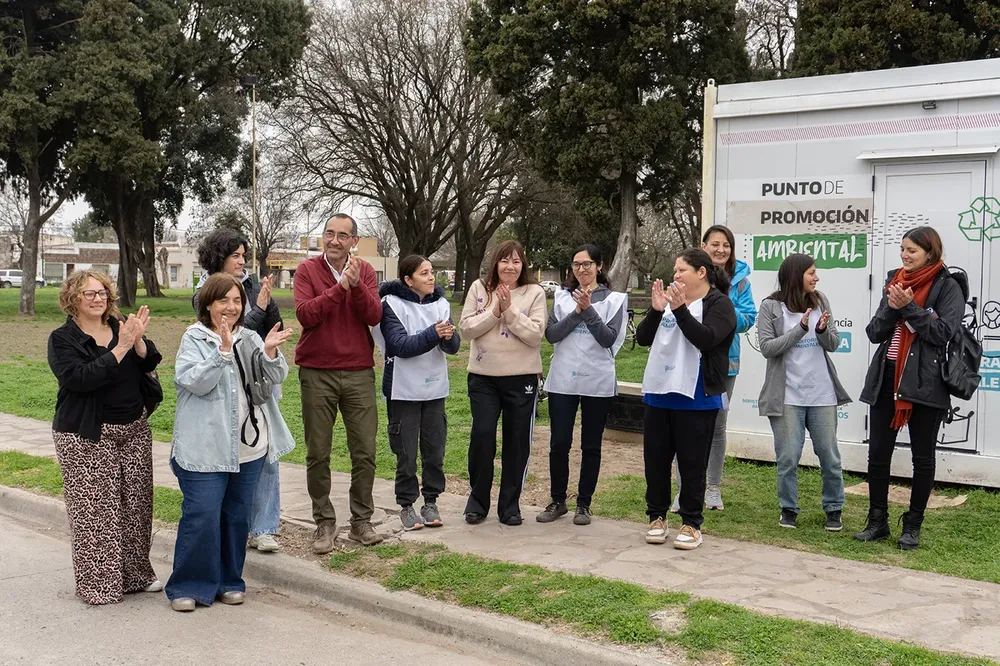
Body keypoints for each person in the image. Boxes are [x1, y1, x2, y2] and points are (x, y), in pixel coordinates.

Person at [166, 273, 295, 612]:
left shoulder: (250, 336)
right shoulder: (194, 338)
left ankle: (229, 581)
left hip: (249, 447)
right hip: (205, 448)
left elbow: (276, 377)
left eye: (237, 300)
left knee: (237, 517)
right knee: (202, 515)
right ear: (207, 304)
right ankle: (188, 584)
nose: (231, 307)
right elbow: (193, 382)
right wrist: (222, 352)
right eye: (223, 300)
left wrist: (268, 353)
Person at [48, 270, 163, 605]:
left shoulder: (119, 326)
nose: (98, 299)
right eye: (89, 294)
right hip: (86, 434)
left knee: (137, 507)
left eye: (102, 292)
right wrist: (123, 346)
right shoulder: (63, 339)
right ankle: (99, 585)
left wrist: (138, 341)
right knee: (96, 512)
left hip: (134, 428)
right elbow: (79, 379)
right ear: (72, 299)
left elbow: (150, 361)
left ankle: (136, 575)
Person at [856, 227, 964, 550]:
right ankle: (877, 521)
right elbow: (874, 331)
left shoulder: (948, 286)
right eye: (902, 249)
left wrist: (908, 308)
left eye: (912, 250)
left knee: (923, 459)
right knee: (877, 454)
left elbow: (943, 332)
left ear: (929, 253)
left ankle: (912, 526)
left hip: (926, 383)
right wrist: (894, 304)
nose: (904, 255)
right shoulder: (894, 281)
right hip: (887, 378)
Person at [294, 213, 384, 552]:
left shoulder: (367, 272)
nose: (334, 240)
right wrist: (339, 288)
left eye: (343, 235)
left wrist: (357, 285)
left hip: (359, 371)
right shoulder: (307, 271)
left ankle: (361, 521)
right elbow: (306, 314)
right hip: (317, 370)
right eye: (329, 234)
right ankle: (324, 522)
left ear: (353, 242)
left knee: (365, 451)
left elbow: (374, 315)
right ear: (322, 238)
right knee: (318, 452)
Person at [637, 249, 736, 550]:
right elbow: (642, 338)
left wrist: (679, 310)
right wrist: (656, 311)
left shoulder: (720, 304)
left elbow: (706, 339)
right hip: (659, 393)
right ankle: (657, 517)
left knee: (693, 464)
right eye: (675, 270)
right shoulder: (668, 302)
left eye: (682, 270)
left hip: (697, 398)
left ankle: (691, 523)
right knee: (655, 460)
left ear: (702, 272)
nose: (675, 275)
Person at [194, 228, 284, 553]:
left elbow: (274, 325)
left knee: (266, 455)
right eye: (236, 255)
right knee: (231, 455)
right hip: (225, 384)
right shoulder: (204, 290)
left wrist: (265, 304)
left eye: (244, 255)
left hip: (259, 379)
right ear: (220, 256)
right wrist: (257, 309)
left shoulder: (254, 286)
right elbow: (228, 330)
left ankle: (264, 527)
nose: (242, 261)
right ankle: (232, 523)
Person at [536, 244, 627, 526]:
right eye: (576, 264)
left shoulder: (615, 300)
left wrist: (588, 311)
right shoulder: (562, 297)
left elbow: (608, 338)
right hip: (563, 379)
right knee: (559, 442)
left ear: (600, 266)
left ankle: (584, 504)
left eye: (587, 264)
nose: (581, 269)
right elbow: (551, 334)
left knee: (591, 445)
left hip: (596, 380)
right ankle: (558, 500)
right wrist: (577, 312)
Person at [757, 254, 850, 532]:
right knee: (788, 457)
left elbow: (833, 343)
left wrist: (821, 330)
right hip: (786, 396)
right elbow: (767, 348)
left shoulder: (820, 300)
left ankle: (834, 510)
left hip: (822, 394)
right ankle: (789, 509)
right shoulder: (770, 306)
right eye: (811, 272)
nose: (816, 277)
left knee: (830, 456)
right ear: (796, 275)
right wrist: (800, 329)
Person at [669, 225, 757, 513]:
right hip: (685, 357)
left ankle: (713, 488)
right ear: (703, 246)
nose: (721, 250)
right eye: (715, 244)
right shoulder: (688, 274)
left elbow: (749, 317)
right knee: (682, 427)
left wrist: (724, 314)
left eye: (727, 245)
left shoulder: (740, 279)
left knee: (717, 426)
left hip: (723, 362)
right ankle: (683, 491)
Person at [460, 240, 547, 526]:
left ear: (524, 265)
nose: (510, 266)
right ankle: (477, 501)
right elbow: (467, 329)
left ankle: (510, 505)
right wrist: (496, 310)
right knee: (482, 436)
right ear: (495, 263)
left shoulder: (534, 293)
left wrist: (510, 311)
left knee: (517, 442)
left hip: (521, 378)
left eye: (517, 261)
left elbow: (535, 335)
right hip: (484, 378)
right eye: (505, 260)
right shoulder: (478, 289)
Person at [374, 255, 461, 530]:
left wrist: (449, 338)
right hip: (403, 390)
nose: (431, 277)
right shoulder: (391, 305)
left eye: (432, 272)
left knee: (435, 450)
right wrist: (434, 333)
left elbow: (452, 347)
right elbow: (400, 345)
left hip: (435, 388)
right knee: (407, 453)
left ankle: (431, 501)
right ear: (408, 280)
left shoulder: (441, 303)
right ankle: (407, 505)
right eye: (424, 274)